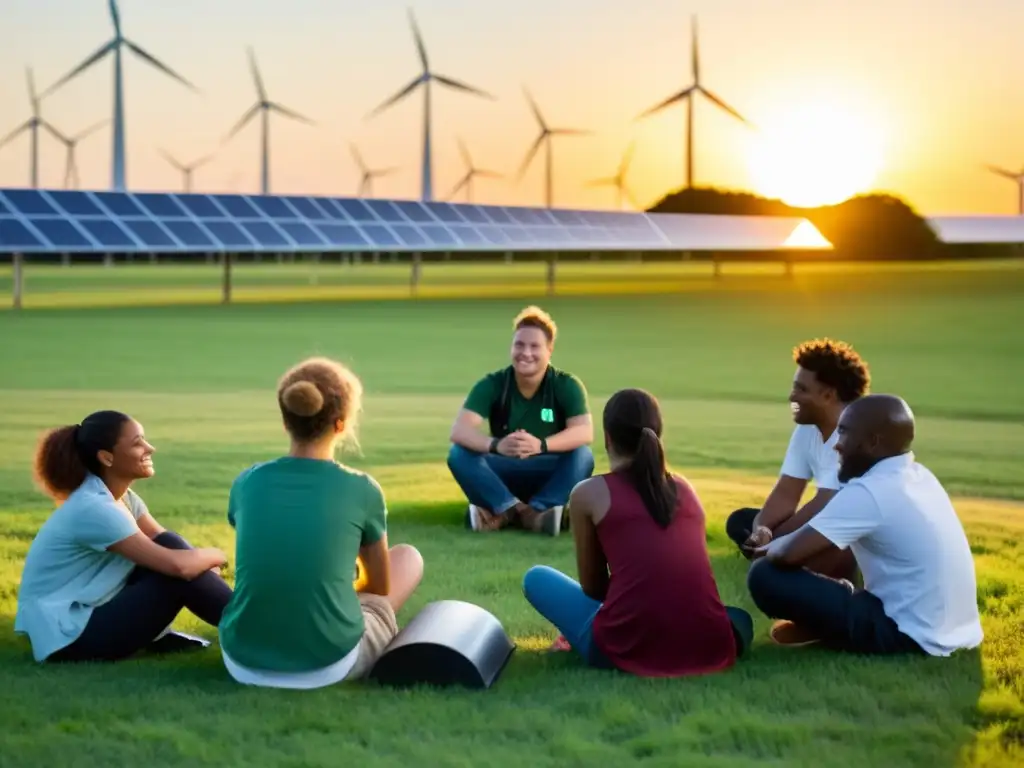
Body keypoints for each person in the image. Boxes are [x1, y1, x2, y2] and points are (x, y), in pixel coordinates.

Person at [218, 356, 424, 689]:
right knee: (408, 558)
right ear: (341, 424)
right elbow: (379, 587)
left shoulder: (248, 482)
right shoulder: (362, 488)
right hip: (329, 663)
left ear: (286, 421)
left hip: (241, 659)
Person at [522, 388, 753, 677]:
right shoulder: (684, 488)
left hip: (624, 646)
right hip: (710, 643)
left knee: (537, 578)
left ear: (608, 437)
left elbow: (594, 589)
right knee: (737, 618)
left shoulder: (589, 493)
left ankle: (585, 635)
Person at [747, 394, 984, 656]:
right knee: (820, 550)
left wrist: (766, 550)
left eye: (845, 434)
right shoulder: (920, 476)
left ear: (872, 442)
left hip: (907, 634)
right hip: (957, 631)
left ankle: (825, 626)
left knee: (765, 575)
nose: (836, 445)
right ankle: (829, 618)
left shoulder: (869, 492)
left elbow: (787, 554)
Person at [15, 410, 233, 663]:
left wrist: (199, 569)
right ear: (107, 457)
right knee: (176, 573)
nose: (150, 448)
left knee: (170, 546)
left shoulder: (121, 498)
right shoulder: (95, 508)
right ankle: (259, 630)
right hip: (70, 638)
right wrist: (216, 555)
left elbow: (164, 541)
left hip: (90, 613)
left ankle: (252, 625)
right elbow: (178, 566)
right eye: (137, 442)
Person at [725, 338, 870, 580]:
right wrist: (763, 530)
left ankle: (789, 565)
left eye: (801, 389)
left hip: (846, 537)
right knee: (741, 521)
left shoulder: (853, 434)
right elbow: (786, 492)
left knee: (774, 568)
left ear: (827, 395)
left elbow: (826, 504)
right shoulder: (807, 429)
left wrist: (778, 541)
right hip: (821, 523)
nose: (791, 396)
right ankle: (779, 559)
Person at [447, 305, 595, 536]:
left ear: (550, 350)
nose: (526, 353)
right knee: (458, 454)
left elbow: (584, 432)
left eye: (534, 346)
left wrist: (541, 445)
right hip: (503, 471)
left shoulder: (566, 385)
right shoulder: (494, 383)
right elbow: (459, 430)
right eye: (519, 345)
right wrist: (496, 445)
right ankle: (516, 511)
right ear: (511, 347)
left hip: (548, 471)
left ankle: (519, 511)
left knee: (583, 455)